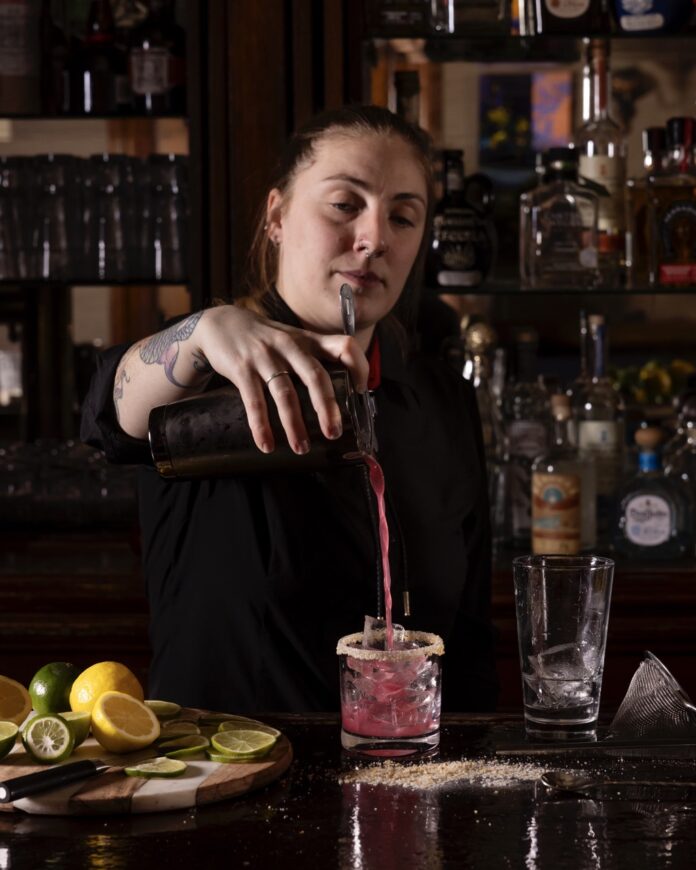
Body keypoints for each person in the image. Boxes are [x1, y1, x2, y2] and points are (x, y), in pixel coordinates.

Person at [81, 105, 498, 714]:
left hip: (404, 779)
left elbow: (468, 641)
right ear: (276, 216)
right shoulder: (204, 375)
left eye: (403, 218)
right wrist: (200, 333)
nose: (375, 238)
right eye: (344, 205)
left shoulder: (441, 400)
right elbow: (105, 418)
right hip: (225, 780)